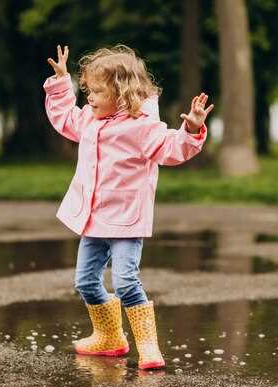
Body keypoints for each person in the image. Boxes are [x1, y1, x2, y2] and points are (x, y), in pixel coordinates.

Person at [43, 44, 213, 370]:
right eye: (86, 90)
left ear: (121, 92)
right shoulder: (91, 121)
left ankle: (148, 345)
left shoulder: (141, 126)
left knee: (125, 281)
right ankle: (109, 336)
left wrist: (191, 128)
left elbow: (171, 148)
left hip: (125, 220)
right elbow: (65, 118)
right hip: (93, 218)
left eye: (96, 91)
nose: (89, 97)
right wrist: (62, 82)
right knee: (86, 282)